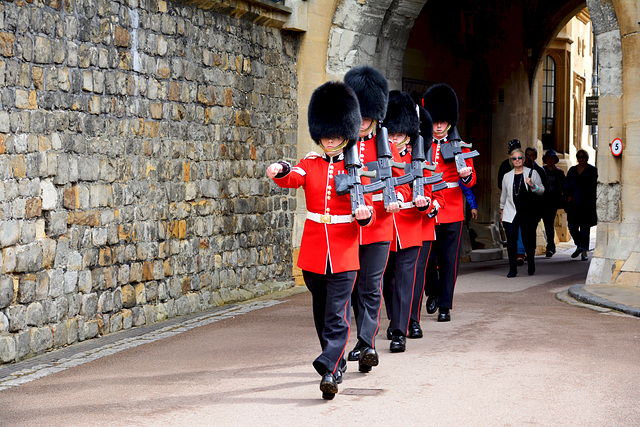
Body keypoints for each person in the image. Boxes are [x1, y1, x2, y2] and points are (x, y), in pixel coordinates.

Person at [266, 81, 375, 400]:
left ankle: (329, 366)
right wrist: (279, 169)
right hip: (314, 251)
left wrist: (364, 215)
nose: (330, 139)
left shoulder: (357, 168)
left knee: (337, 312)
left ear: (346, 133)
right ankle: (336, 360)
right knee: (320, 310)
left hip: (343, 250)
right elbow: (293, 176)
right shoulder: (311, 163)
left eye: (336, 134)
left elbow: (365, 210)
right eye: (326, 134)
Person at [343, 66, 410, 372]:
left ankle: (367, 342)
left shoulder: (384, 146)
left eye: (368, 117)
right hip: (348, 229)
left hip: (380, 227)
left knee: (371, 285)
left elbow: (403, 181)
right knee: (354, 287)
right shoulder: (341, 144)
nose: (363, 123)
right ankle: (359, 337)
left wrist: (398, 198)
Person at [380, 91, 433, 353]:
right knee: (387, 280)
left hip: (411, 227)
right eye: (390, 134)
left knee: (404, 279)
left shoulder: (418, 157)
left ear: (408, 136)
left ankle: (399, 330)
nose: (393, 140)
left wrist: (424, 202)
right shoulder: (380, 156)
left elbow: (427, 188)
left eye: (398, 136)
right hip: (385, 229)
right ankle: (395, 319)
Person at [421, 83, 476, 322]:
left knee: (448, 260)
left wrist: (466, 175)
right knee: (428, 258)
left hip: (452, 208)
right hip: (428, 209)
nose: (439, 125)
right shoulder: (421, 145)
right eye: (435, 121)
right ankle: (431, 290)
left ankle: (445, 305)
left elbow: (472, 178)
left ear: (449, 122)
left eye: (442, 121)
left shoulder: (461, 147)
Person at [408, 105, 444, 337]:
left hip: (422, 229)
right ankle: (396, 319)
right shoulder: (390, 160)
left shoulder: (429, 165)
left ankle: (412, 320)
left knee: (416, 279)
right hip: (395, 231)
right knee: (393, 281)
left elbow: (438, 198)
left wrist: (428, 206)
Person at [500, 148, 545, 277]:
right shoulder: (507, 176)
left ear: (524, 160)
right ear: (511, 160)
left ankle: (531, 263)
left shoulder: (532, 173)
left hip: (527, 212)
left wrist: (532, 185)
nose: (517, 160)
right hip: (511, 212)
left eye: (520, 158)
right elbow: (503, 196)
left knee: (528, 240)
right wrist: (501, 212)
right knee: (511, 241)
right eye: (514, 158)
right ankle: (512, 269)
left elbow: (541, 190)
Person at [564, 149, 598, 261]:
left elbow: (595, 187)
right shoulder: (572, 170)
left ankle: (584, 251)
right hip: (573, 204)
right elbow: (566, 185)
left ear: (587, 158)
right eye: (579, 156)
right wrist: (568, 196)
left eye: (583, 156)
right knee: (572, 227)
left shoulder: (592, 170)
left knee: (585, 228)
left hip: (586, 204)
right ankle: (580, 245)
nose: (581, 158)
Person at [497, 139, 526, 264]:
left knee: (520, 228)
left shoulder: (526, 165)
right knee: (511, 228)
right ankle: (513, 253)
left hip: (522, 202)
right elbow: (500, 184)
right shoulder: (504, 165)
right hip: (509, 202)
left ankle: (520, 252)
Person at [541, 149, 565, 257]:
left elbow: (565, 187)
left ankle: (550, 247)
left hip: (553, 202)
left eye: (552, 158)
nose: (550, 160)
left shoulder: (559, 173)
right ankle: (549, 246)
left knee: (549, 224)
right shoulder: (542, 171)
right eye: (548, 158)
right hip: (542, 201)